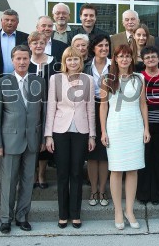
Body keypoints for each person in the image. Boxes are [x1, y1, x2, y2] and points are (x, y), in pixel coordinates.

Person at [0, 45, 46, 234]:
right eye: (18, 59)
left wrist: (43, 137)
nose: (22, 62)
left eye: (25, 58)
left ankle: (22, 216)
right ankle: (6, 218)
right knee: (8, 181)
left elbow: (43, 112)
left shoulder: (39, 82)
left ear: (30, 60)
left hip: (32, 139)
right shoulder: (2, 82)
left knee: (28, 180)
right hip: (8, 142)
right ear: (12, 60)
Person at [44, 47, 96, 228]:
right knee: (62, 173)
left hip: (81, 131)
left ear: (80, 61)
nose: (72, 62)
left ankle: (75, 214)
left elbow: (91, 108)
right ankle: (62, 214)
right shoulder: (56, 79)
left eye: (75, 59)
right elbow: (51, 107)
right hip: (60, 130)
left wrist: (92, 135)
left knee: (76, 172)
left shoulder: (88, 79)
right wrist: (48, 135)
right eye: (69, 59)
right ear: (64, 61)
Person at [100, 44, 150, 230]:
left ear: (132, 58)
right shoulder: (108, 79)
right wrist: (104, 131)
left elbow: (143, 104)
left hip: (135, 126)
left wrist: (146, 128)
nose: (124, 59)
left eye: (128, 56)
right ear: (115, 58)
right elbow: (103, 107)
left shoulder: (140, 78)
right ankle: (118, 211)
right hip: (115, 127)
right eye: (121, 56)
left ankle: (130, 210)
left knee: (132, 170)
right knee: (116, 169)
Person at [82, 34, 111, 207]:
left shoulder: (113, 65)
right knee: (92, 153)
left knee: (106, 152)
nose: (104, 49)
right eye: (100, 46)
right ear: (93, 48)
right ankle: (93, 190)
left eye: (106, 45)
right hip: (90, 108)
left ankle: (103, 189)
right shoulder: (86, 66)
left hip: (110, 108)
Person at [137, 46, 159, 205]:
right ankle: (143, 193)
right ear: (143, 60)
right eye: (147, 57)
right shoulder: (139, 77)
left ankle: (157, 194)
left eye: (153, 57)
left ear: (158, 58)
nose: (150, 60)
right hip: (144, 124)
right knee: (144, 159)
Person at [27, 31, 57, 189]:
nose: (38, 46)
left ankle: (42, 174)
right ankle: (32, 174)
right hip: (30, 107)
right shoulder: (26, 61)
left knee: (45, 137)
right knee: (32, 139)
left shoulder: (53, 62)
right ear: (30, 44)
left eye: (41, 43)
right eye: (35, 43)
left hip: (49, 105)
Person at [0, 9, 29, 77]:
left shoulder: (26, 38)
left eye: (12, 20)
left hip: (20, 78)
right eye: (6, 20)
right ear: (1, 21)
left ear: (17, 22)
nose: (9, 23)